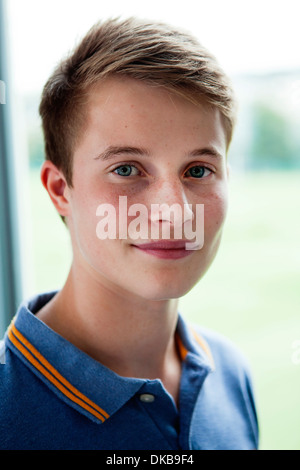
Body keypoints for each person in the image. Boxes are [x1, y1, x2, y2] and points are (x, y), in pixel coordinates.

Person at [0, 17, 259, 450]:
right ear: (60, 190)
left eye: (198, 170)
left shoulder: (231, 375)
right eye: (126, 169)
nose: (174, 212)